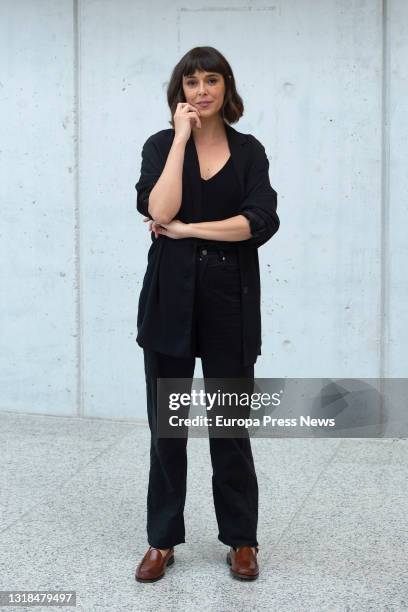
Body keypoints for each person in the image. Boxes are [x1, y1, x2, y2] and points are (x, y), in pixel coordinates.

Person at [134, 46, 280, 582]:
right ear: (180, 93)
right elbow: (160, 208)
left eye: (211, 80)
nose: (202, 90)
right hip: (169, 301)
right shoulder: (158, 146)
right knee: (167, 430)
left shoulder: (248, 152)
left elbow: (259, 222)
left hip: (229, 303)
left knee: (229, 427)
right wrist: (178, 139)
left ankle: (242, 540)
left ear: (226, 88)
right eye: (191, 82)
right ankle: (162, 540)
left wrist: (192, 231)